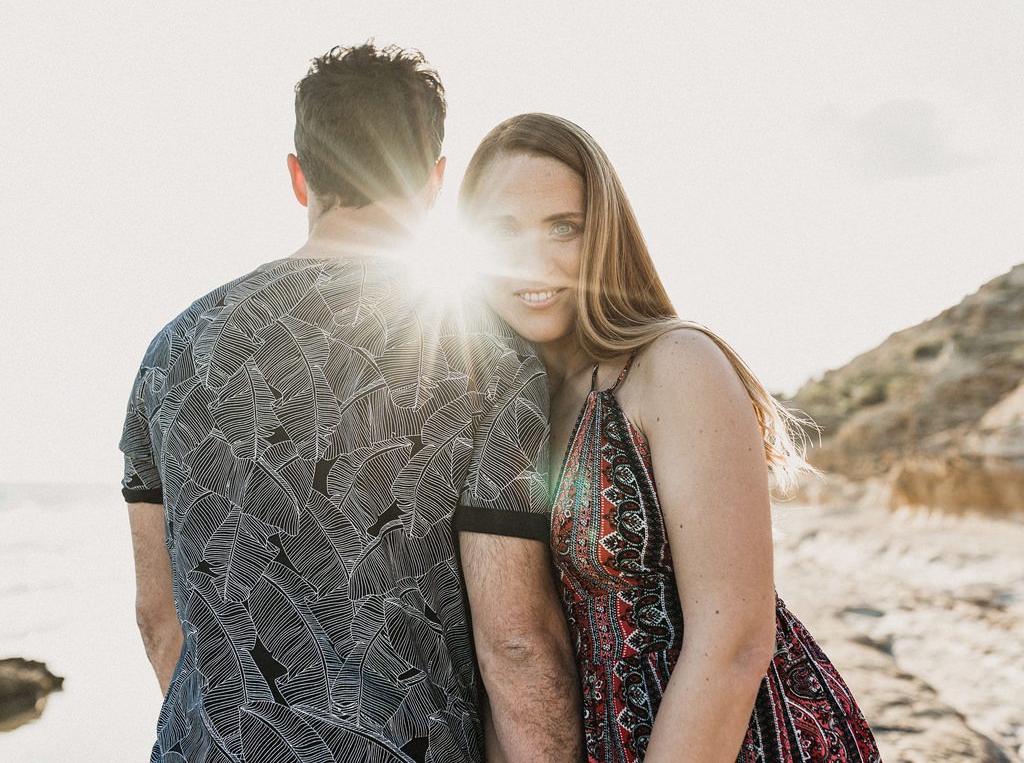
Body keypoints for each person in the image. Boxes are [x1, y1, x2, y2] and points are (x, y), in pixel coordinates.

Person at [119, 47, 580, 763]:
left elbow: (159, 619)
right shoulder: (480, 354)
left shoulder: (172, 352)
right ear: (434, 182)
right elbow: (515, 638)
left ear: (299, 177)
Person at [458, 113, 881, 763]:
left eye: (563, 228)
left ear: (603, 235)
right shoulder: (517, 404)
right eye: (502, 230)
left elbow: (736, 642)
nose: (532, 260)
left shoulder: (675, 364)